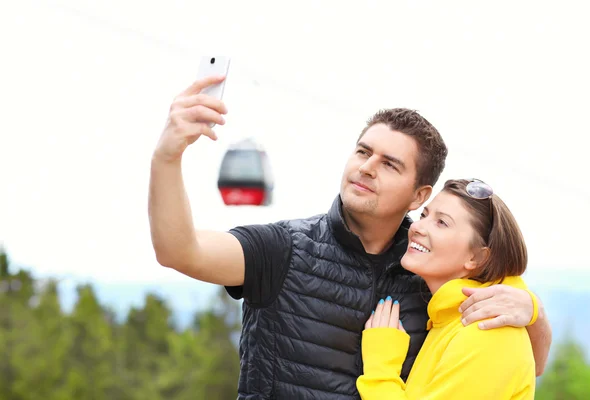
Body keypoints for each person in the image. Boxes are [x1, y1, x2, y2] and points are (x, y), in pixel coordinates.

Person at [148, 75, 552, 399]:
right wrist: (168, 155)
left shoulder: (431, 271)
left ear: (419, 195)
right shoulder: (283, 248)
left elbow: (523, 364)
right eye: (363, 152)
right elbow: (180, 251)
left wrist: (533, 312)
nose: (367, 167)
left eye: (390, 164)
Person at [357, 179, 538, 399]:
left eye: (441, 222)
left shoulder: (486, 333)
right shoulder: (450, 319)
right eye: (424, 215)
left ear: (476, 257)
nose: (417, 227)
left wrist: (381, 370)